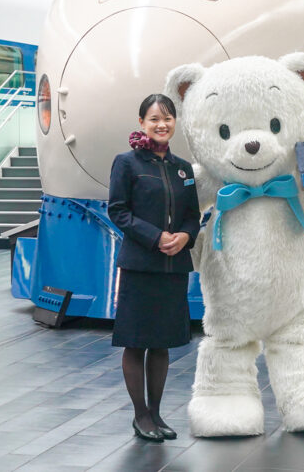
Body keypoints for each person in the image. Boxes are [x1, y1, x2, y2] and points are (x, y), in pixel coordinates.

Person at [107, 94, 201, 442]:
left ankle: (157, 414)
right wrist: (155, 236)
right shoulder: (127, 163)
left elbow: (193, 214)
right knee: (137, 342)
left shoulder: (184, 169)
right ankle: (140, 415)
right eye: (154, 118)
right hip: (140, 265)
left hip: (173, 267)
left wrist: (185, 237)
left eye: (168, 118)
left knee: (161, 344)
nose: (162, 124)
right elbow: (117, 211)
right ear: (141, 122)